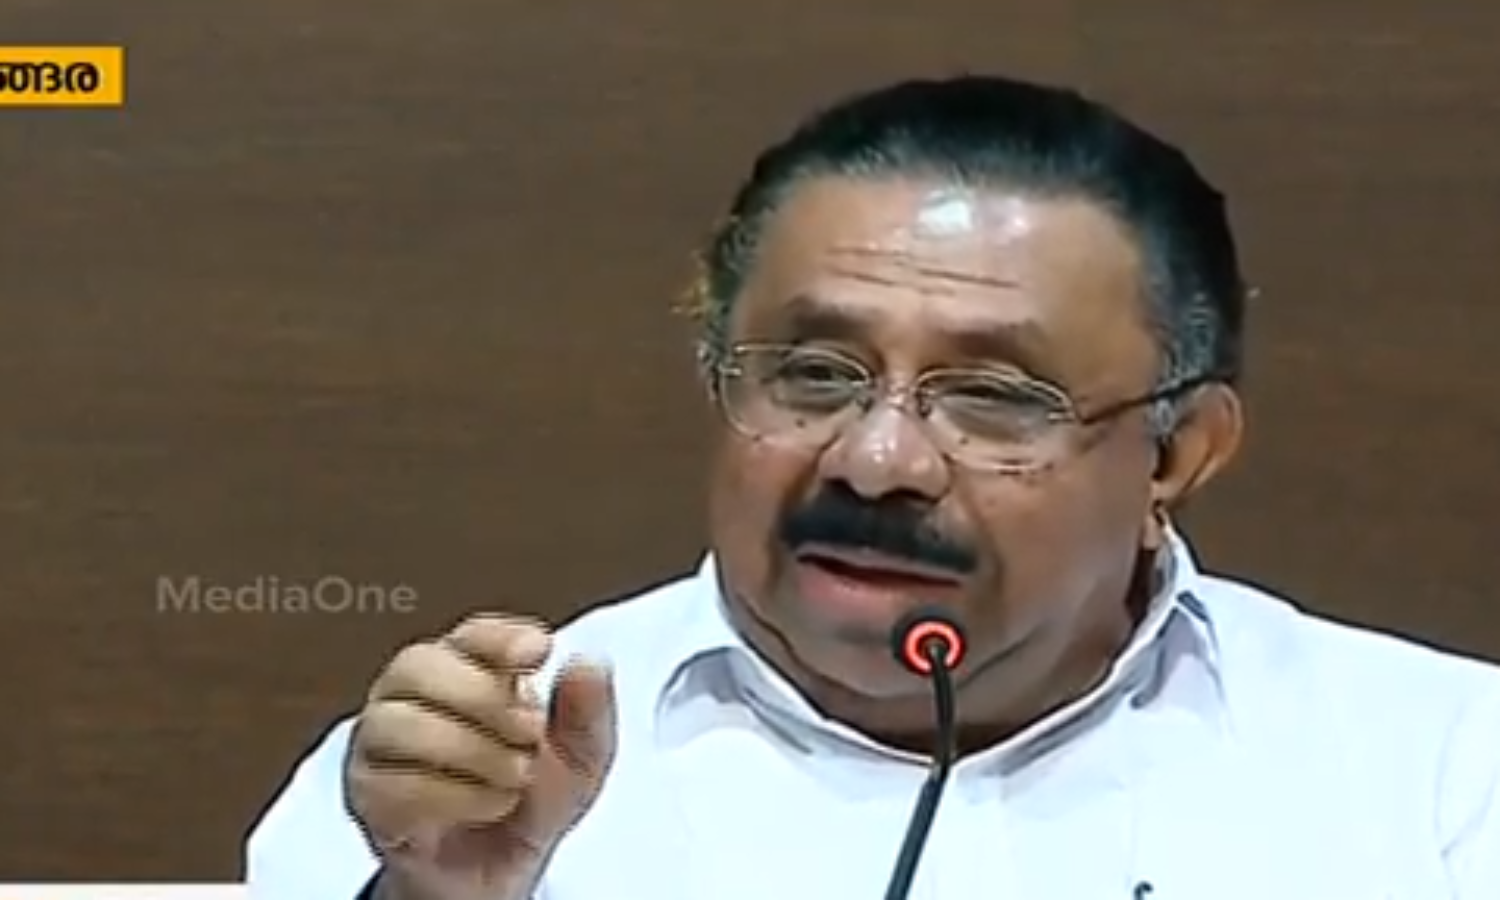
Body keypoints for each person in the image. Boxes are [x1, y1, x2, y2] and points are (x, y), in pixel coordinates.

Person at [245, 74, 1499, 900]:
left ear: (1176, 455)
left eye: (994, 397)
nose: (877, 460)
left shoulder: (1445, 775)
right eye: (815, 374)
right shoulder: (460, 782)